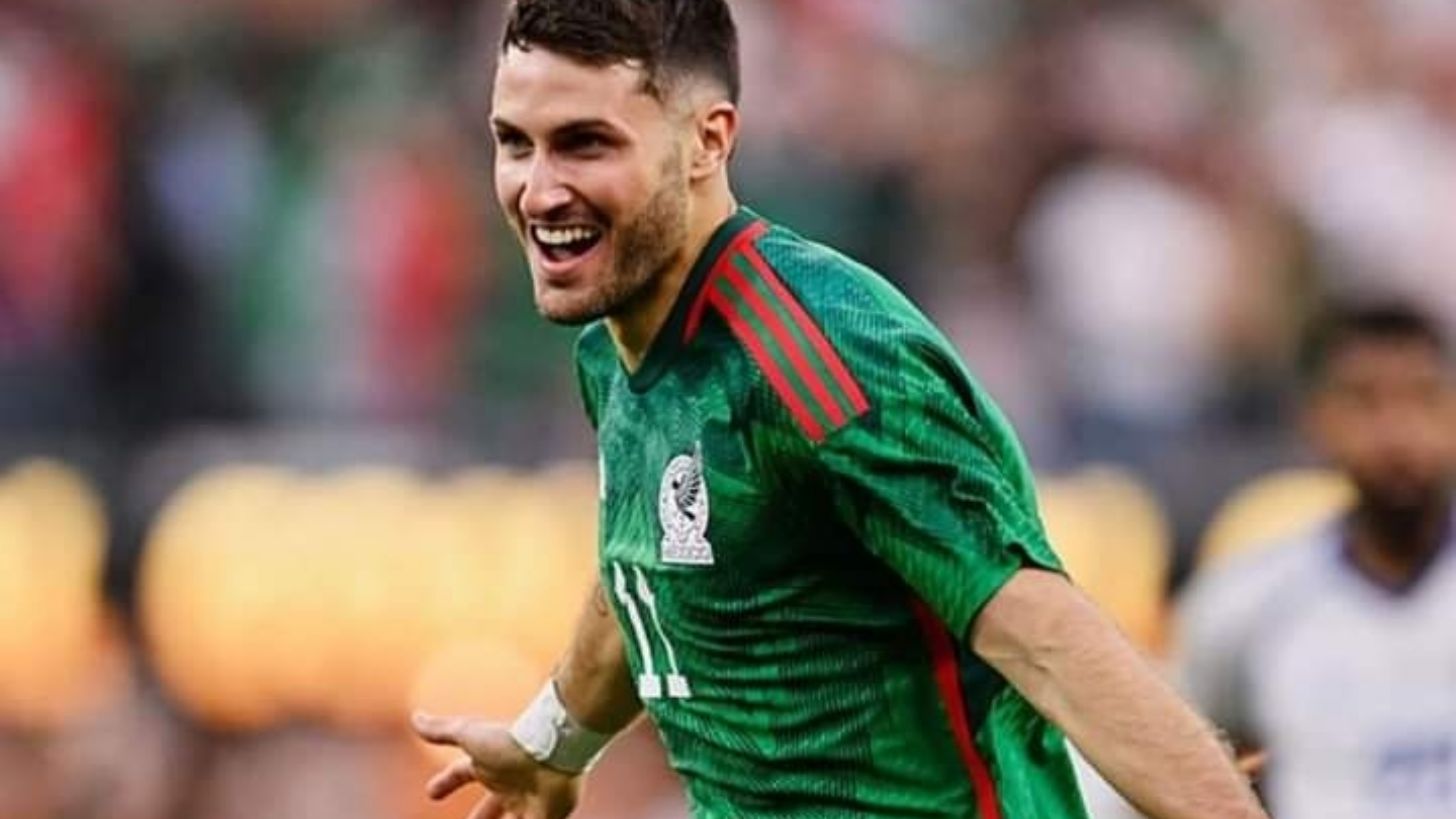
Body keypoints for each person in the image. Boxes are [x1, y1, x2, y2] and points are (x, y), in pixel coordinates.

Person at [412, 2, 1266, 817]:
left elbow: (1043, 635)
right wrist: (552, 741)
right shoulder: (613, 352)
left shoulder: (818, 357)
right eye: (514, 143)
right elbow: (647, 569)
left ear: (708, 141)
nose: (539, 190)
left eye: (585, 144)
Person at [1176, 304, 1456, 819]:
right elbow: (1170, 761)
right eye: (1365, 401)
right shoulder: (1243, 606)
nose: (1397, 432)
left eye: (1423, 397)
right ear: (1317, 419)